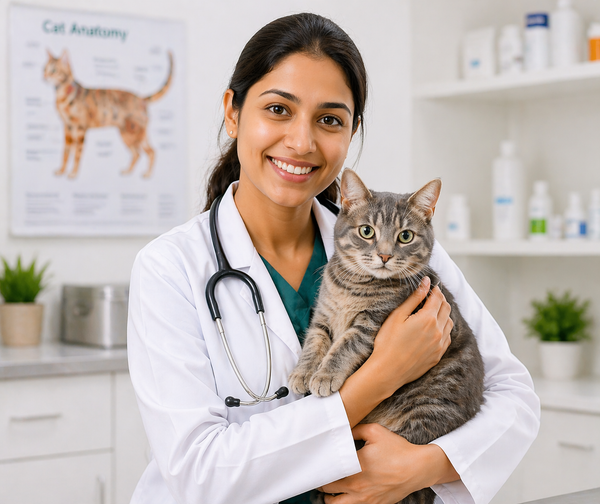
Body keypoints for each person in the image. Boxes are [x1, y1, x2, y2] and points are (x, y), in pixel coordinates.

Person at [127, 12, 540, 504]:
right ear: (233, 113)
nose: (301, 142)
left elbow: (514, 396)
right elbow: (198, 473)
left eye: (329, 120)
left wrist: (423, 465)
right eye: (278, 109)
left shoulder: (406, 254)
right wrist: (377, 378)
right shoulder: (169, 267)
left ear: (352, 131)